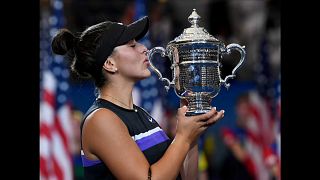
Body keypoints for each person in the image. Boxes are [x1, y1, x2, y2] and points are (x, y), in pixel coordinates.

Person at [51, 16, 225, 180]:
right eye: (132, 45)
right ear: (110, 64)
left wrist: (192, 132)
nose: (144, 49)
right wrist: (183, 137)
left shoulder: (140, 113)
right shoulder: (100, 119)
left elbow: (186, 177)